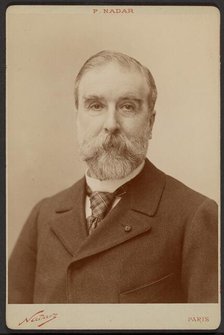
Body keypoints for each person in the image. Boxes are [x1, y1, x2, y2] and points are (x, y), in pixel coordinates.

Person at [8, 50, 218, 304]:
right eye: (95, 106)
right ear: (77, 118)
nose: (111, 124)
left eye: (127, 107)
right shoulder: (44, 215)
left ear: (150, 123)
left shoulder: (196, 216)